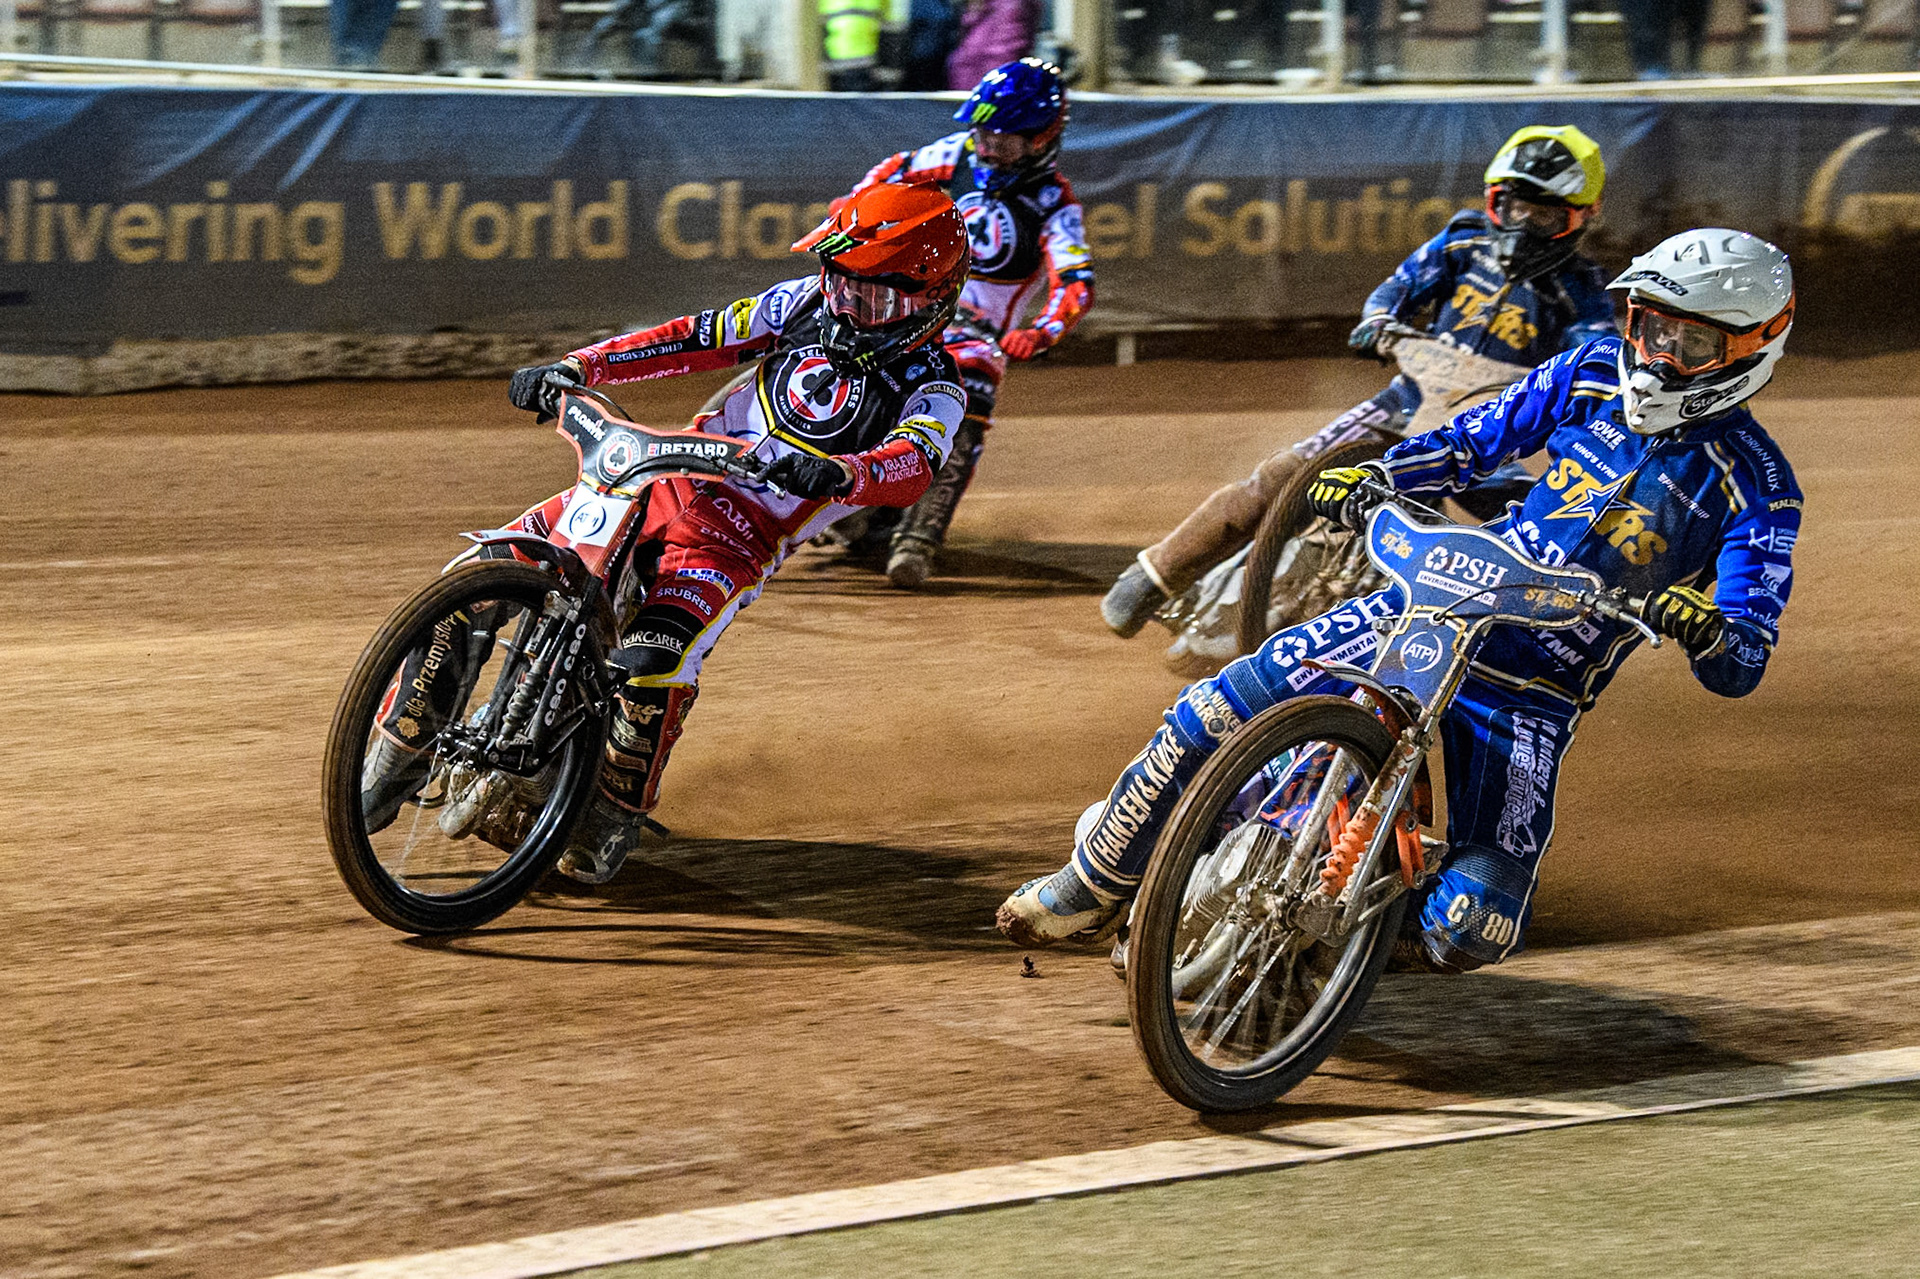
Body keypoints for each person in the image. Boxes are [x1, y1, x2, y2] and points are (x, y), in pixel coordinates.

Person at [1000, 228, 1800, 976]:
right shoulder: (1588, 369)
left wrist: (1712, 629)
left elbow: (1745, 660)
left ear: (1754, 348)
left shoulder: (1759, 485)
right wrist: (1384, 476)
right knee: (1209, 707)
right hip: (1433, 609)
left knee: (1474, 925)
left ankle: (1354, 943)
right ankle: (1088, 882)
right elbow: (1468, 441)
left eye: (1692, 342)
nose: (1658, 356)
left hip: (1534, 689)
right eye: (1650, 327)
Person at [365, 184, 970, 885]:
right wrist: (579, 367)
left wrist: (839, 473)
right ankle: (398, 742)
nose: (844, 307)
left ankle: (610, 812)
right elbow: (693, 336)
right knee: (483, 569)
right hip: (658, 479)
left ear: (927, 300)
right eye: (840, 283)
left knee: (655, 660)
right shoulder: (801, 303)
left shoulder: (937, 385)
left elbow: (913, 463)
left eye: (870, 298)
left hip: (737, 537)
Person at [1101, 124, 1616, 640]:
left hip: (1492, 433)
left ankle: (1500, 646)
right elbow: (1396, 289)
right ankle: (1155, 575)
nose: (1523, 226)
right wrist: (1378, 320)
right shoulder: (1462, 240)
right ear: (1492, 201)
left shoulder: (1584, 290)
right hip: (1407, 400)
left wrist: (1586, 391)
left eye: (1544, 215)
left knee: (1525, 534)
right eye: (1514, 207)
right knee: (1284, 474)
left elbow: (1598, 359)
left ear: (1581, 218)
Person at [836, 56, 1094, 587]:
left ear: (1041, 138)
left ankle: (919, 536)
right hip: (900, 305)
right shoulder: (949, 155)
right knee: (811, 330)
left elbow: (1074, 282)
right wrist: (847, 219)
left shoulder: (1054, 204)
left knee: (971, 384)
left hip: (974, 333)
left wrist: (1043, 329)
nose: (989, 142)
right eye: (982, 128)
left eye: (1005, 134)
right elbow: (883, 180)